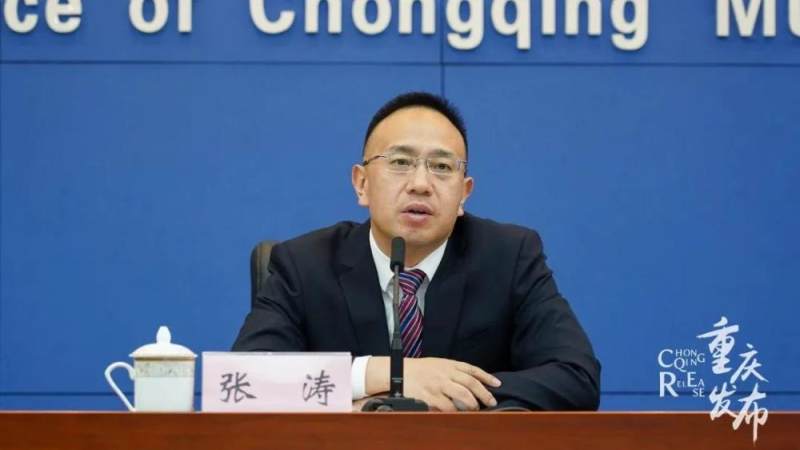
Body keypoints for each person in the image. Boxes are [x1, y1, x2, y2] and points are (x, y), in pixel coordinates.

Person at [233, 92, 600, 411]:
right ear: (361, 184)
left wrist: (446, 394)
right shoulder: (305, 265)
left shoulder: (509, 257)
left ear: (464, 194)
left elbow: (576, 377)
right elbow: (242, 381)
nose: (421, 184)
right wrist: (386, 375)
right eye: (400, 162)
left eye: (441, 167)